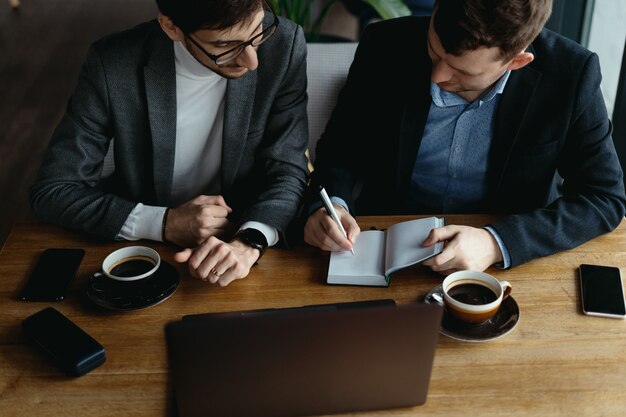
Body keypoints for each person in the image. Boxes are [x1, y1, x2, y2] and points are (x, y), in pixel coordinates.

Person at [304, 0, 626, 273]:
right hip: (385, 251)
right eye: (434, 52)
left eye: (462, 71)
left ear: (516, 61)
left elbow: (604, 197)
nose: (438, 76)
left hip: (506, 267)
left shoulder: (571, 75)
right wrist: (333, 206)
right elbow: (340, 152)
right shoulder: (385, 45)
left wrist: (495, 243)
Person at [30, 0, 310, 286]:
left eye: (257, 32)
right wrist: (164, 223)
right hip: (139, 254)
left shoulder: (284, 46)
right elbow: (54, 191)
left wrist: (249, 240)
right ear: (172, 27)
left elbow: (287, 168)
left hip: (244, 247)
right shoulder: (112, 63)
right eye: (226, 46)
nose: (253, 62)